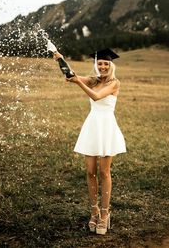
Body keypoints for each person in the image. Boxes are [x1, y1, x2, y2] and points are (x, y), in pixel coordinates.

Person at [53, 48, 126, 235]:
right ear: (96, 64)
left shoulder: (114, 83)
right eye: (100, 63)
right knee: (90, 171)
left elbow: (96, 96)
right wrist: (61, 60)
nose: (102, 66)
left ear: (111, 65)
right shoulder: (93, 80)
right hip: (92, 126)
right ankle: (93, 211)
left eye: (106, 64)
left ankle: (104, 214)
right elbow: (71, 74)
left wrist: (78, 82)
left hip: (106, 127)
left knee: (104, 171)